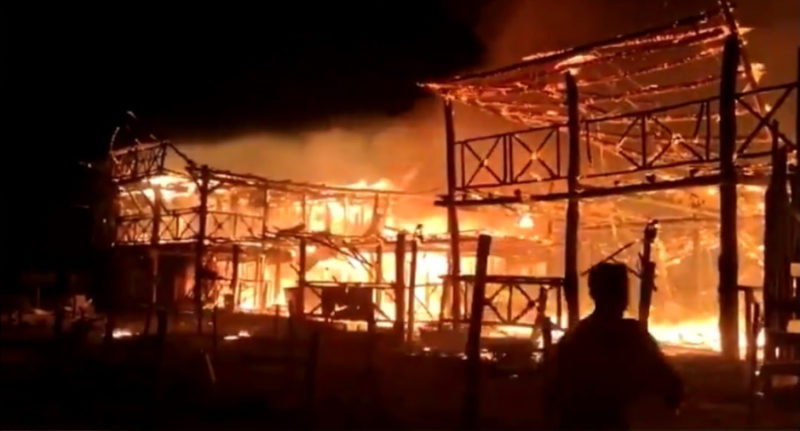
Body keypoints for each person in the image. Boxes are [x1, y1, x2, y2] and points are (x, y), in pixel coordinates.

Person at [545, 263, 683, 430]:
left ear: (592, 293)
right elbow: (670, 384)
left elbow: (552, 392)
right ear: (623, 295)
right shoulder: (633, 335)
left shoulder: (575, 336)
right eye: (623, 289)